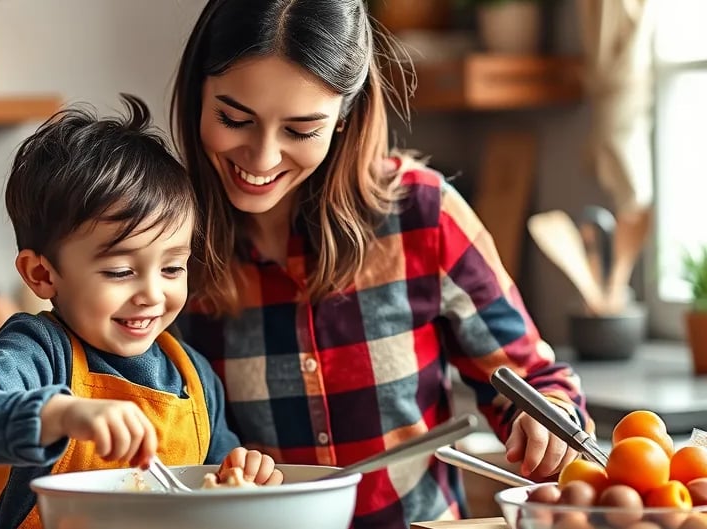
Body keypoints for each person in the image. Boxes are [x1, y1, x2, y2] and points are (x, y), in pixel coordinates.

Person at [169, 1, 594, 528]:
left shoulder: (421, 214)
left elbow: (531, 380)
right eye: (234, 119)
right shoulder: (165, 241)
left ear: (344, 118)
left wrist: (545, 420)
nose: (261, 158)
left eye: (301, 131)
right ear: (196, 97)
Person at [0, 94, 282, 529]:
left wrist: (242, 478)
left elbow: (216, 497)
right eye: (121, 271)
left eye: (172, 267)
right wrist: (58, 414)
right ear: (42, 274)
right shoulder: (39, 353)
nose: (151, 294)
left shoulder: (194, 378)